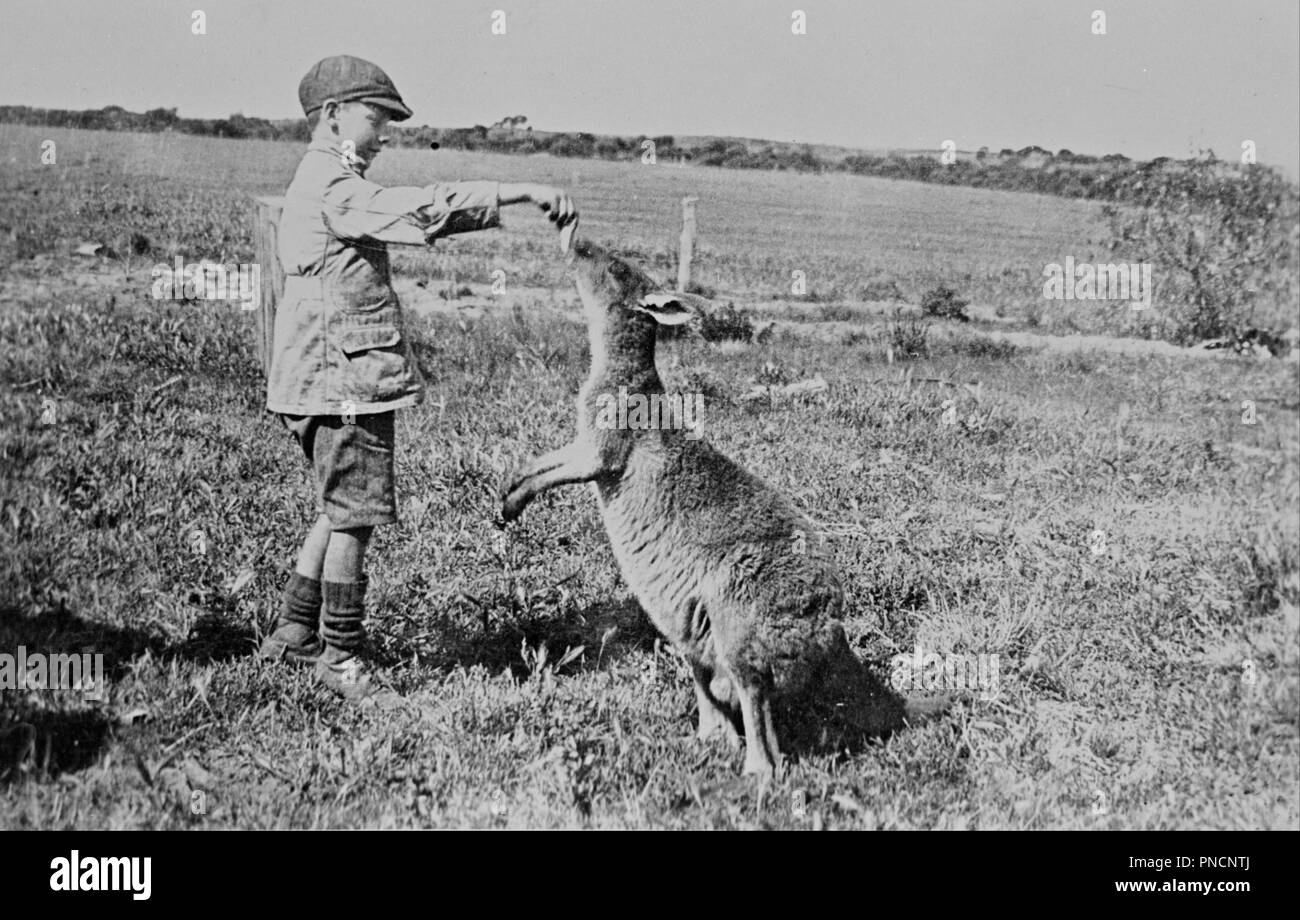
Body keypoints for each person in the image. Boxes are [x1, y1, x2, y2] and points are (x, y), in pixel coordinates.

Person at [259, 55, 576, 699]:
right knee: (354, 518)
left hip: (316, 376)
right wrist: (515, 190)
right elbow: (419, 212)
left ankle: (293, 632)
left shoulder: (319, 178)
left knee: (339, 505)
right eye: (376, 119)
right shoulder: (336, 186)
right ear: (333, 116)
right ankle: (340, 659)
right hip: (342, 381)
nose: (384, 135)